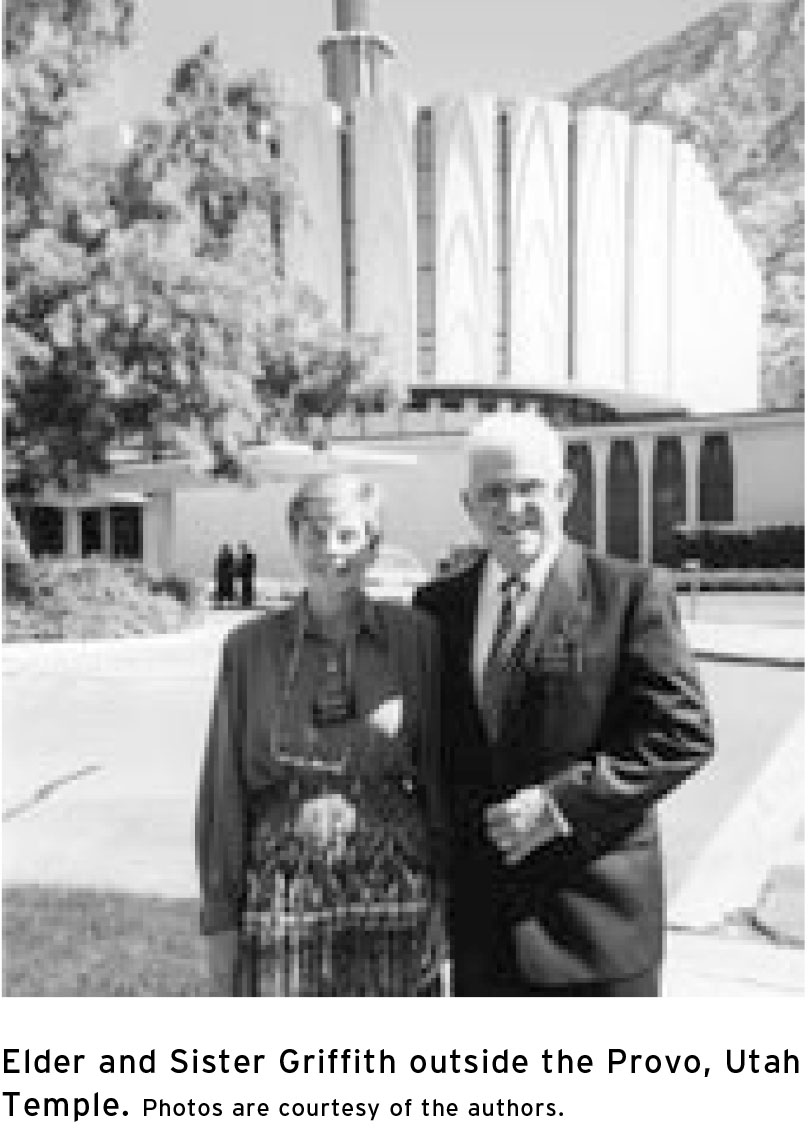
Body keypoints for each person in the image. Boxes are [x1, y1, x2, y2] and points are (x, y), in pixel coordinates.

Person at [414, 412, 714, 996]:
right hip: (484, 936)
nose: (511, 507)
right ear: (468, 505)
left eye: (528, 488)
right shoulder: (436, 609)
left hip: (597, 930)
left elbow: (681, 735)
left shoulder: (629, 594)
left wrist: (560, 804)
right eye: (493, 492)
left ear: (565, 492)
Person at [197, 472, 446, 995]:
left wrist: (447, 892)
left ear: (373, 546)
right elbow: (223, 786)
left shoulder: (416, 638)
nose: (331, 551)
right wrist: (220, 916)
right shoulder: (249, 647)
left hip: (397, 887)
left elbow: (439, 773)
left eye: (348, 536)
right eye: (314, 534)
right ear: (293, 540)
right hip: (281, 890)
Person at [236, 541, 256, 609]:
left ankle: (247, 603)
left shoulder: (248, 556)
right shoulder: (244, 556)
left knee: (247, 589)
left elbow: (249, 566)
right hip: (245, 576)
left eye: (241, 548)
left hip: (247, 575)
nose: (240, 550)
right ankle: (245, 602)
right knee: (245, 589)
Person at [214, 543, 235, 607]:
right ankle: (221, 603)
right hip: (224, 578)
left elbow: (230, 568)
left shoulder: (228, 558)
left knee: (227, 592)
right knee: (223, 592)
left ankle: (227, 602)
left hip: (227, 578)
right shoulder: (223, 558)